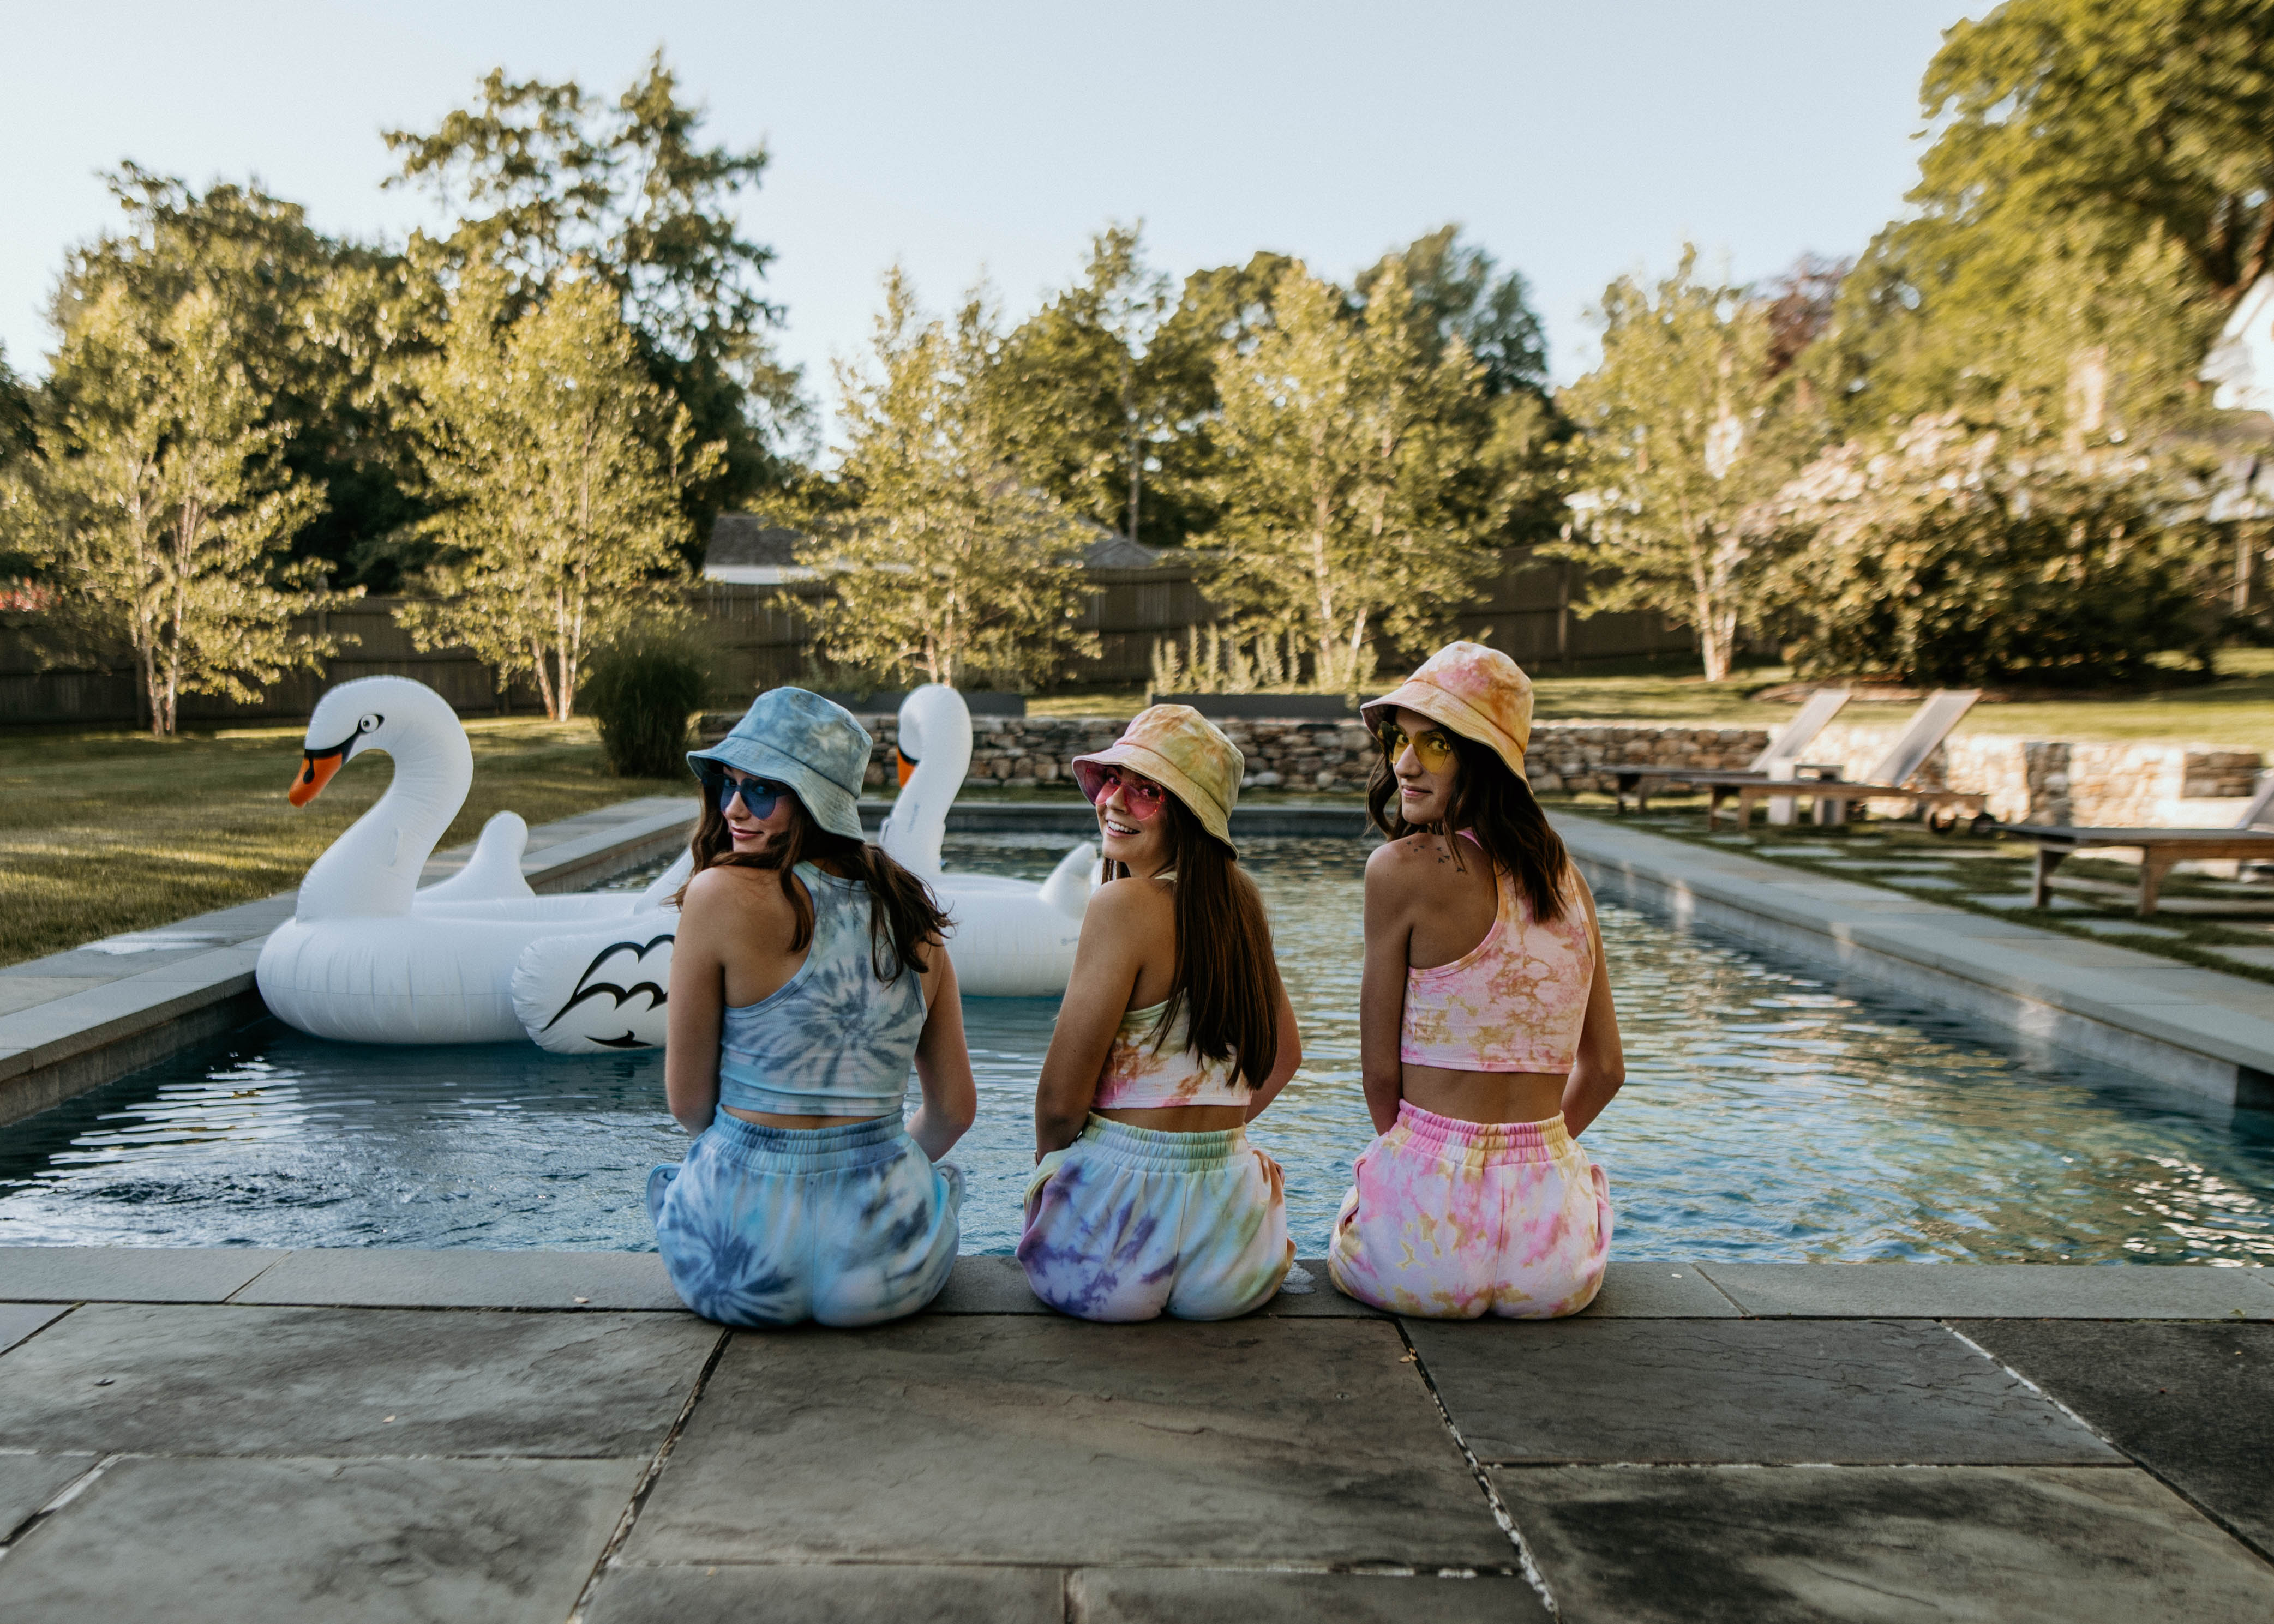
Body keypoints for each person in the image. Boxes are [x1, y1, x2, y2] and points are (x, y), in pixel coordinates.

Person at [647, 687, 975, 1328]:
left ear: (814, 801)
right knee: (943, 1186)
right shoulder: (913, 915)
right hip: (888, 1270)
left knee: (671, 1179)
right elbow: (954, 1112)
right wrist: (870, 1160)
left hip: (734, 1270)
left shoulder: (717, 895)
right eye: (726, 783)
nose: (735, 807)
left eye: (762, 790)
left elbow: (688, 1104)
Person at [1327, 642, 1623, 1318]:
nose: (1403, 762)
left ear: (1481, 758)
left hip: (1423, 1242)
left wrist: (1429, 1171)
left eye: (1434, 744)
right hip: (1552, 1256)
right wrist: (1527, 1159)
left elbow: (1378, 1077)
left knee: (1352, 1211)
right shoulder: (1569, 882)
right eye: (1399, 739)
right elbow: (1605, 1069)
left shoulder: (1398, 869)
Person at [1017, 705, 1302, 1321]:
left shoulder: (1122, 903)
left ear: (1189, 815)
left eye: (1146, 791)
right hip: (1236, 1243)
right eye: (1110, 780)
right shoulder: (1242, 904)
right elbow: (1284, 1056)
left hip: (1114, 1240)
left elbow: (1059, 1102)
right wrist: (1206, 1134)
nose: (1114, 801)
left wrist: (1052, 1182)